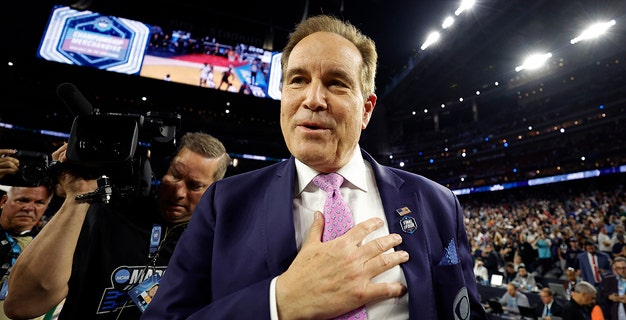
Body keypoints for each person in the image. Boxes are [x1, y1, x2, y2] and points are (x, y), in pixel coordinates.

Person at [141, 15, 487, 319]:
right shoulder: (223, 204)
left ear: (366, 110)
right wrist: (278, 303)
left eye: (336, 82)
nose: (313, 99)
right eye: (298, 80)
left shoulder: (438, 203)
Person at [4, 132, 230, 320]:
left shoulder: (211, 245)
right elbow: (22, 304)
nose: (179, 192)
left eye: (194, 185)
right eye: (175, 175)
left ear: (214, 190)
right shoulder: (105, 214)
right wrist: (77, 196)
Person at [0, 184, 53, 320]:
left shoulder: (51, 245)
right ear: (4, 201)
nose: (29, 208)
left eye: (39, 202)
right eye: (23, 200)